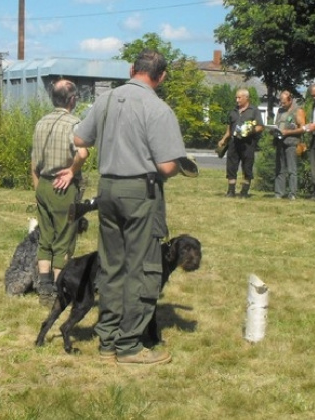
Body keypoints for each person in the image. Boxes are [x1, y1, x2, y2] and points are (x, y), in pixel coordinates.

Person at [74, 49, 186, 365]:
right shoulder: (159, 109)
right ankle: (129, 346)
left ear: (131, 68)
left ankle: (107, 339)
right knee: (142, 267)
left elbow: (80, 139)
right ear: (161, 76)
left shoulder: (106, 100)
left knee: (111, 266)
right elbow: (166, 167)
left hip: (107, 188)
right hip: (140, 191)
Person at [31, 79, 88, 306]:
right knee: (64, 239)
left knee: (45, 238)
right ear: (72, 99)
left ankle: (43, 289)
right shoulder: (74, 124)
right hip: (62, 188)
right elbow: (82, 154)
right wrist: (72, 171)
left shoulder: (40, 122)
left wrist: (38, 188)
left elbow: (33, 161)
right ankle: (59, 290)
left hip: (43, 184)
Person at [217, 88, 264, 197]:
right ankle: (231, 191)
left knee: (247, 167)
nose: (237, 100)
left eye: (239, 97)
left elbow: (260, 127)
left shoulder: (254, 110)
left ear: (246, 98)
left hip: (248, 144)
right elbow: (229, 130)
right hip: (233, 143)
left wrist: (250, 130)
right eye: (236, 98)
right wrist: (223, 139)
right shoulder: (233, 111)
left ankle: (244, 192)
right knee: (231, 167)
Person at [273, 91, 306, 200]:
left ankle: (292, 193)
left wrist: (288, 132)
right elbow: (277, 124)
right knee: (279, 169)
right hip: (280, 142)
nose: (282, 104)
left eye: (284, 102)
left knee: (292, 170)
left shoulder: (298, 111)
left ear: (290, 100)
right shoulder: (280, 110)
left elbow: (303, 128)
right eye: (280, 102)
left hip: (291, 142)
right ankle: (279, 193)